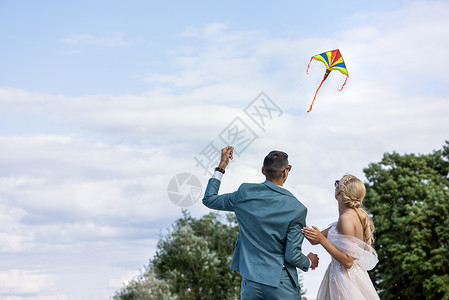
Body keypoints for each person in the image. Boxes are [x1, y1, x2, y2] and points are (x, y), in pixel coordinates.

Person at [203, 146, 319, 300]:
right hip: (280, 283)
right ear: (285, 172)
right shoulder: (297, 209)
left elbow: (209, 199)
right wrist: (310, 261)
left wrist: (222, 166)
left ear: (263, 171)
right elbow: (292, 255)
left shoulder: (244, 193)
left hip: (251, 283)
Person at [302, 174, 380, 300]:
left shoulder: (347, 218)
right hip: (337, 276)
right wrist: (295, 220)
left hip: (346, 281)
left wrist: (323, 241)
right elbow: (314, 239)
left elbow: (348, 261)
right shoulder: (344, 218)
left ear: (339, 191)